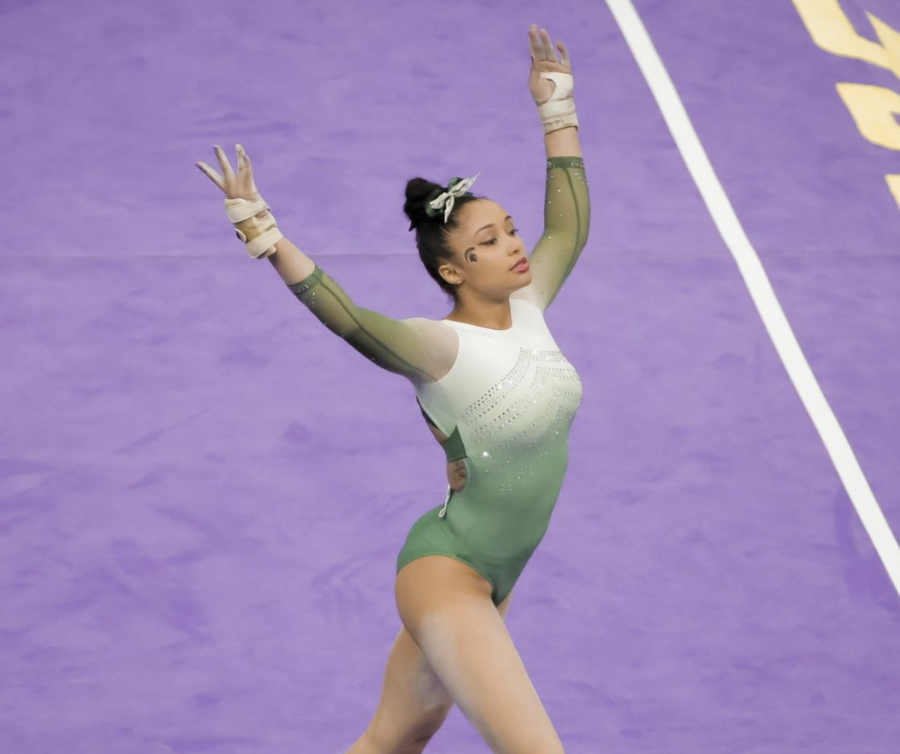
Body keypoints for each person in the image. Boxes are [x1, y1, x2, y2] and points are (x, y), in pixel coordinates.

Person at [196, 22, 589, 754]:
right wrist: (266, 235)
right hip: (447, 573)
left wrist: (555, 112)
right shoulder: (439, 348)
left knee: (389, 744)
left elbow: (567, 232)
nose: (513, 247)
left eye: (509, 231)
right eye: (489, 244)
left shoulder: (530, 310)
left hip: (499, 575)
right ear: (453, 272)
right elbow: (351, 321)